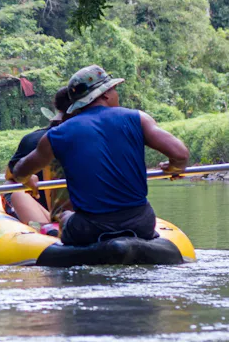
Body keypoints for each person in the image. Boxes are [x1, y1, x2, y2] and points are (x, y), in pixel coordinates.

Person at [10, 65, 189, 247]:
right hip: (141, 223)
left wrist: (28, 179)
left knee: (65, 216)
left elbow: (19, 170)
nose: (116, 95)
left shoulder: (57, 134)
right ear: (105, 94)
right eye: (114, 90)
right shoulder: (138, 118)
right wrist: (174, 167)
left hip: (90, 228)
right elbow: (180, 154)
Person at [1, 89, 73, 229]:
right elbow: (11, 177)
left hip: (66, 216)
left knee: (11, 186)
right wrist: (26, 178)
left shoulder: (34, 139)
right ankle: (47, 229)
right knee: (16, 192)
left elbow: (9, 176)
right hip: (45, 212)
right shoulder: (37, 140)